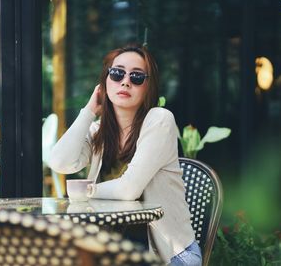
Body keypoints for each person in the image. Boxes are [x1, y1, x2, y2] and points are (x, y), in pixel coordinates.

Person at [49, 44, 201, 265]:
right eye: (117, 73)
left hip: (170, 256)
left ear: (148, 87)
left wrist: (85, 191)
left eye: (137, 77)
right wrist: (89, 111)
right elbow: (60, 162)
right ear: (105, 82)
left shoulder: (160, 120)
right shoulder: (99, 133)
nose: (125, 81)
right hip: (114, 254)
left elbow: (129, 189)